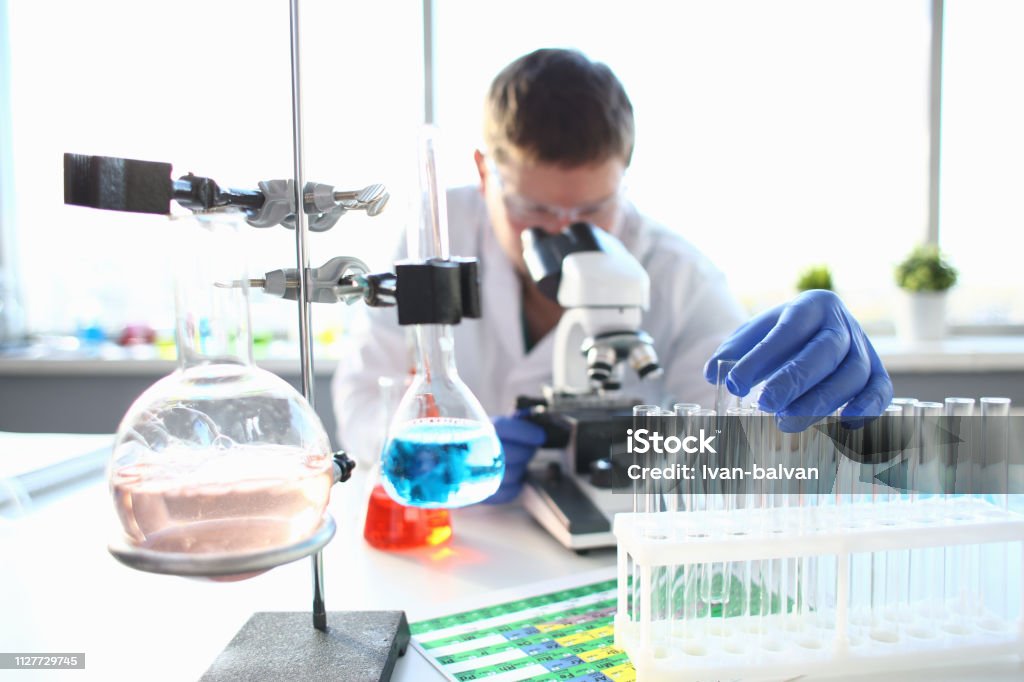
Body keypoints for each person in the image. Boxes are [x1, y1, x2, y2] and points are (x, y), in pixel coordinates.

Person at [332, 48, 892, 498]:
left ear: (625, 176)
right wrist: (438, 449)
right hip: (470, 540)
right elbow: (361, 396)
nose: (564, 235)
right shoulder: (436, 232)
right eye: (536, 211)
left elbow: (740, 424)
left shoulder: (679, 274)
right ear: (484, 172)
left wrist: (809, 384)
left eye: (593, 211)